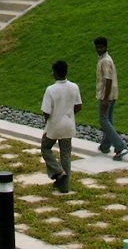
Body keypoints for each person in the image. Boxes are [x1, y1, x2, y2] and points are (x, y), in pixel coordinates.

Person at [40, 59, 83, 193]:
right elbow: (78, 106)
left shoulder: (51, 90)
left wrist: (47, 121)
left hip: (54, 125)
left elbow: (46, 111)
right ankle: (65, 187)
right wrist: (69, 113)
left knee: (45, 148)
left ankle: (58, 172)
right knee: (66, 154)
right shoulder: (74, 87)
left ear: (55, 73)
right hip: (68, 125)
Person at [94, 36, 128, 159]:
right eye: (97, 47)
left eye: (101, 47)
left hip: (106, 95)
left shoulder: (105, 61)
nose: (99, 49)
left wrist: (105, 99)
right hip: (111, 94)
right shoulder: (104, 59)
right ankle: (105, 146)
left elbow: (108, 81)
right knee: (108, 120)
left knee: (103, 120)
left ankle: (120, 147)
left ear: (106, 47)